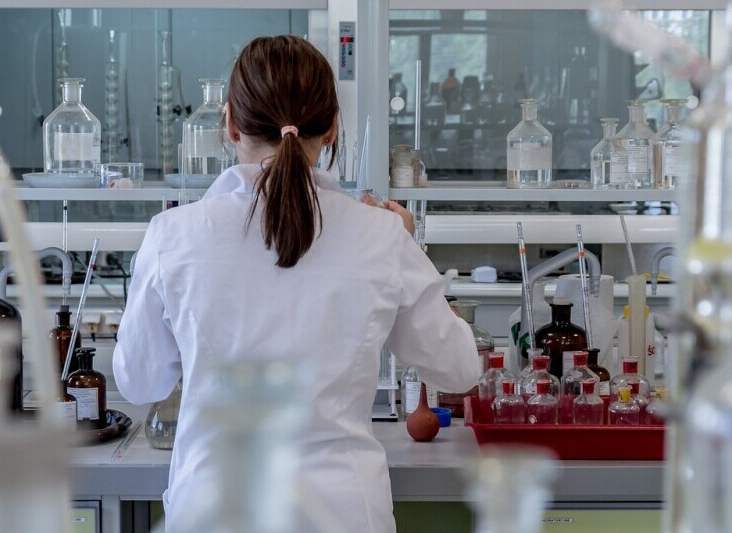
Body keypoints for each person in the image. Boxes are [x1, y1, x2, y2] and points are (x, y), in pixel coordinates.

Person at [112, 36, 480, 532]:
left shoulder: (173, 235)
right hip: (343, 513)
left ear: (230, 124)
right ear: (330, 128)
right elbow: (459, 370)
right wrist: (413, 254)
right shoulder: (381, 235)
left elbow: (139, 383)